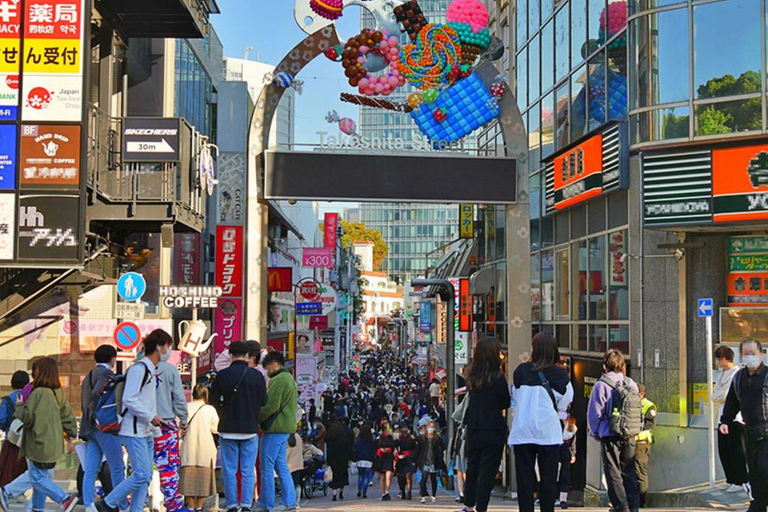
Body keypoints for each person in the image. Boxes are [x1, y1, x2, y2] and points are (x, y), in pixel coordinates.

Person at [96, 329, 171, 512]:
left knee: (144, 477)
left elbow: (146, 402)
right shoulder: (140, 369)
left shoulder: (149, 370)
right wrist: (151, 417)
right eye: (168, 347)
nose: (169, 351)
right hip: (134, 430)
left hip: (145, 431)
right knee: (142, 474)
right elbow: (130, 399)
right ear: (159, 347)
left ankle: (133, 509)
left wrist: (155, 424)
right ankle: (108, 502)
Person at [508, 333, 574, 512]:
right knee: (548, 478)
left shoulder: (520, 371)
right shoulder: (561, 376)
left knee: (525, 479)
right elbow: (563, 405)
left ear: (534, 349)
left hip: (522, 432)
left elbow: (516, 397)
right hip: (548, 433)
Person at [14, 357, 79, 512]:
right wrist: (70, 436)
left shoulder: (39, 393)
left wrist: (19, 405)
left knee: (37, 478)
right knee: (41, 476)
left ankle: (64, 499)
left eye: (36, 369)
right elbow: (67, 415)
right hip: (54, 443)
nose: (34, 372)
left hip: (39, 443)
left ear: (41, 372)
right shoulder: (59, 392)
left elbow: (29, 418)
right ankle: (37, 508)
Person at [209, 341, 268, 512]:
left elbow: (213, 400)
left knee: (230, 469)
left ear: (231, 354)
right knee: (248, 469)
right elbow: (264, 401)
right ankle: (246, 504)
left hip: (227, 428)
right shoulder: (256, 376)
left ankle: (233, 504)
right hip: (250, 428)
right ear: (248, 355)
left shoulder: (223, 375)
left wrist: (224, 409)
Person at [461, 337, 510, 512]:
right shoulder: (497, 377)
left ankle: (468, 505)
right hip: (493, 427)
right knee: (488, 471)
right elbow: (505, 402)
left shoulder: (471, 375)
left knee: (472, 466)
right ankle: (482, 507)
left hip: (474, 425)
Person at [587, 349, 641, 512]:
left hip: (610, 434)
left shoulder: (601, 385)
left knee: (613, 471)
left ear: (605, 365)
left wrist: (595, 433)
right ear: (622, 365)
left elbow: (595, 413)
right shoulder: (631, 383)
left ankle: (620, 505)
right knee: (629, 470)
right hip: (630, 433)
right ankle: (633, 505)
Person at [720, 339, 768, 512]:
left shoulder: (767, 375)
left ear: (761, 354)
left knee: (764, 470)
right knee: (754, 475)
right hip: (750, 433)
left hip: (767, 432)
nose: (749, 357)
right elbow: (732, 402)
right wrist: (725, 421)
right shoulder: (739, 377)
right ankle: (759, 505)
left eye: (753, 353)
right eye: (746, 354)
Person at [79, 346, 127, 512]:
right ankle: (120, 504)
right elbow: (98, 394)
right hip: (104, 426)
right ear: (112, 359)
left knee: (91, 468)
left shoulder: (89, 375)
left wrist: (90, 417)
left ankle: (89, 504)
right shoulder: (106, 375)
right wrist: (97, 414)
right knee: (117, 466)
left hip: (90, 427)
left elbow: (87, 399)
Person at [256, 351, 299, 512]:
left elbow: (271, 405)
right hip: (284, 428)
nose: (267, 372)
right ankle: (289, 500)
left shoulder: (279, 380)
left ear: (274, 364)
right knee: (281, 465)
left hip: (275, 428)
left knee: (266, 466)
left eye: (267, 368)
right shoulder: (288, 378)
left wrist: (257, 417)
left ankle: (265, 503)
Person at [154, 350, 189, 512]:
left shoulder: (136, 368)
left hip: (141, 426)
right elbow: (179, 398)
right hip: (166, 425)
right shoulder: (169, 370)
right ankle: (173, 506)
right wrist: (183, 419)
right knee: (168, 467)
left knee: (140, 469)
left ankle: (135, 504)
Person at [713, 345, 750, 495]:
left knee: (736, 450)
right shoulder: (722, 374)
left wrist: (716, 396)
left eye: (717, 359)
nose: (717, 362)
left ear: (723, 358)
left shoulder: (736, 373)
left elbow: (725, 395)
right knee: (724, 450)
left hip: (735, 419)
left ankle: (740, 480)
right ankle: (730, 479)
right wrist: (716, 396)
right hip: (721, 417)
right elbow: (717, 394)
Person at [180, 384, 219, 512]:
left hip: (188, 449)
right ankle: (199, 507)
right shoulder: (210, 409)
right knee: (203, 482)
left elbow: (179, 425)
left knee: (189, 482)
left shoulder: (186, 407)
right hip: (205, 450)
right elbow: (215, 428)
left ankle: (190, 507)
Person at [0, 370, 30, 487]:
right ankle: (19, 490)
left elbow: (1, 419)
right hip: (26, 440)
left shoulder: (7, 400)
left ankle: (8, 490)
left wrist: (6, 428)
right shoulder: (31, 397)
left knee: (7, 469)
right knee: (24, 467)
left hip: (11, 438)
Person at [635, 383, 657, 508]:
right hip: (631, 442)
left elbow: (649, 425)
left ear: (641, 393)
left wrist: (633, 429)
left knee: (640, 473)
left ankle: (641, 502)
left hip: (641, 443)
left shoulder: (649, 406)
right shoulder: (632, 403)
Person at [416, 420, 444, 504]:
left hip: (434, 461)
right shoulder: (422, 438)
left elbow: (441, 449)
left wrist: (441, 461)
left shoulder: (437, 438)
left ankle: (434, 496)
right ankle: (423, 496)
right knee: (424, 479)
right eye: (429, 427)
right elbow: (418, 450)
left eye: (432, 427)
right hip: (425, 461)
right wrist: (415, 459)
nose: (431, 429)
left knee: (433, 479)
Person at [325, 415, 352, 501]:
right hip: (343, 458)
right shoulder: (343, 435)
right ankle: (341, 492)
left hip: (333, 459)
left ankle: (334, 494)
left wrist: (328, 460)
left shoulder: (330, 437)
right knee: (342, 475)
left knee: (334, 476)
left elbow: (328, 450)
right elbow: (347, 447)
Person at [451, 394, 470, 504]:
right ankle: (463, 493)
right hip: (461, 450)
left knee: (462, 472)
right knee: (462, 472)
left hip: (462, 450)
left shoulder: (470, 395)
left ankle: (463, 493)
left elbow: (456, 415)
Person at [558, 413, 577, 509]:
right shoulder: (555, 421)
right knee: (551, 474)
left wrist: (573, 454)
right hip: (554, 450)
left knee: (564, 475)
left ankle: (563, 499)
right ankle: (550, 497)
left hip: (565, 452)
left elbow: (573, 442)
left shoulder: (572, 426)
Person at [374, 423, 396, 501]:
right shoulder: (379, 438)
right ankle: (383, 493)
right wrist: (381, 450)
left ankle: (387, 491)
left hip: (389, 457)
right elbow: (375, 448)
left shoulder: (391, 438)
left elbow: (393, 447)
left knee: (388, 475)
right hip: (381, 458)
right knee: (382, 477)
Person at [395, 425, 417, 500]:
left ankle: (409, 492)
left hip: (409, 458)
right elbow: (395, 447)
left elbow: (415, 448)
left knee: (408, 475)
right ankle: (402, 491)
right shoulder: (399, 439)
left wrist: (414, 459)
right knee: (401, 476)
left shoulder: (411, 438)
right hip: (401, 458)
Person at [353, 426, 375, 499]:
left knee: (360, 476)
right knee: (366, 477)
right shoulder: (371, 440)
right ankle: (364, 493)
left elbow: (355, 449)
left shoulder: (358, 440)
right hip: (368, 460)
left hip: (360, 460)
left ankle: (359, 490)